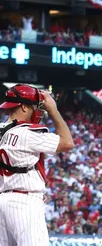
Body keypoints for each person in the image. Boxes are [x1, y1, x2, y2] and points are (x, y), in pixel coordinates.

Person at [0, 84, 74, 245]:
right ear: (24, 107)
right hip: (24, 202)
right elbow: (67, 142)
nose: (38, 110)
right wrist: (53, 109)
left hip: (2, 201)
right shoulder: (27, 132)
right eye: (35, 107)